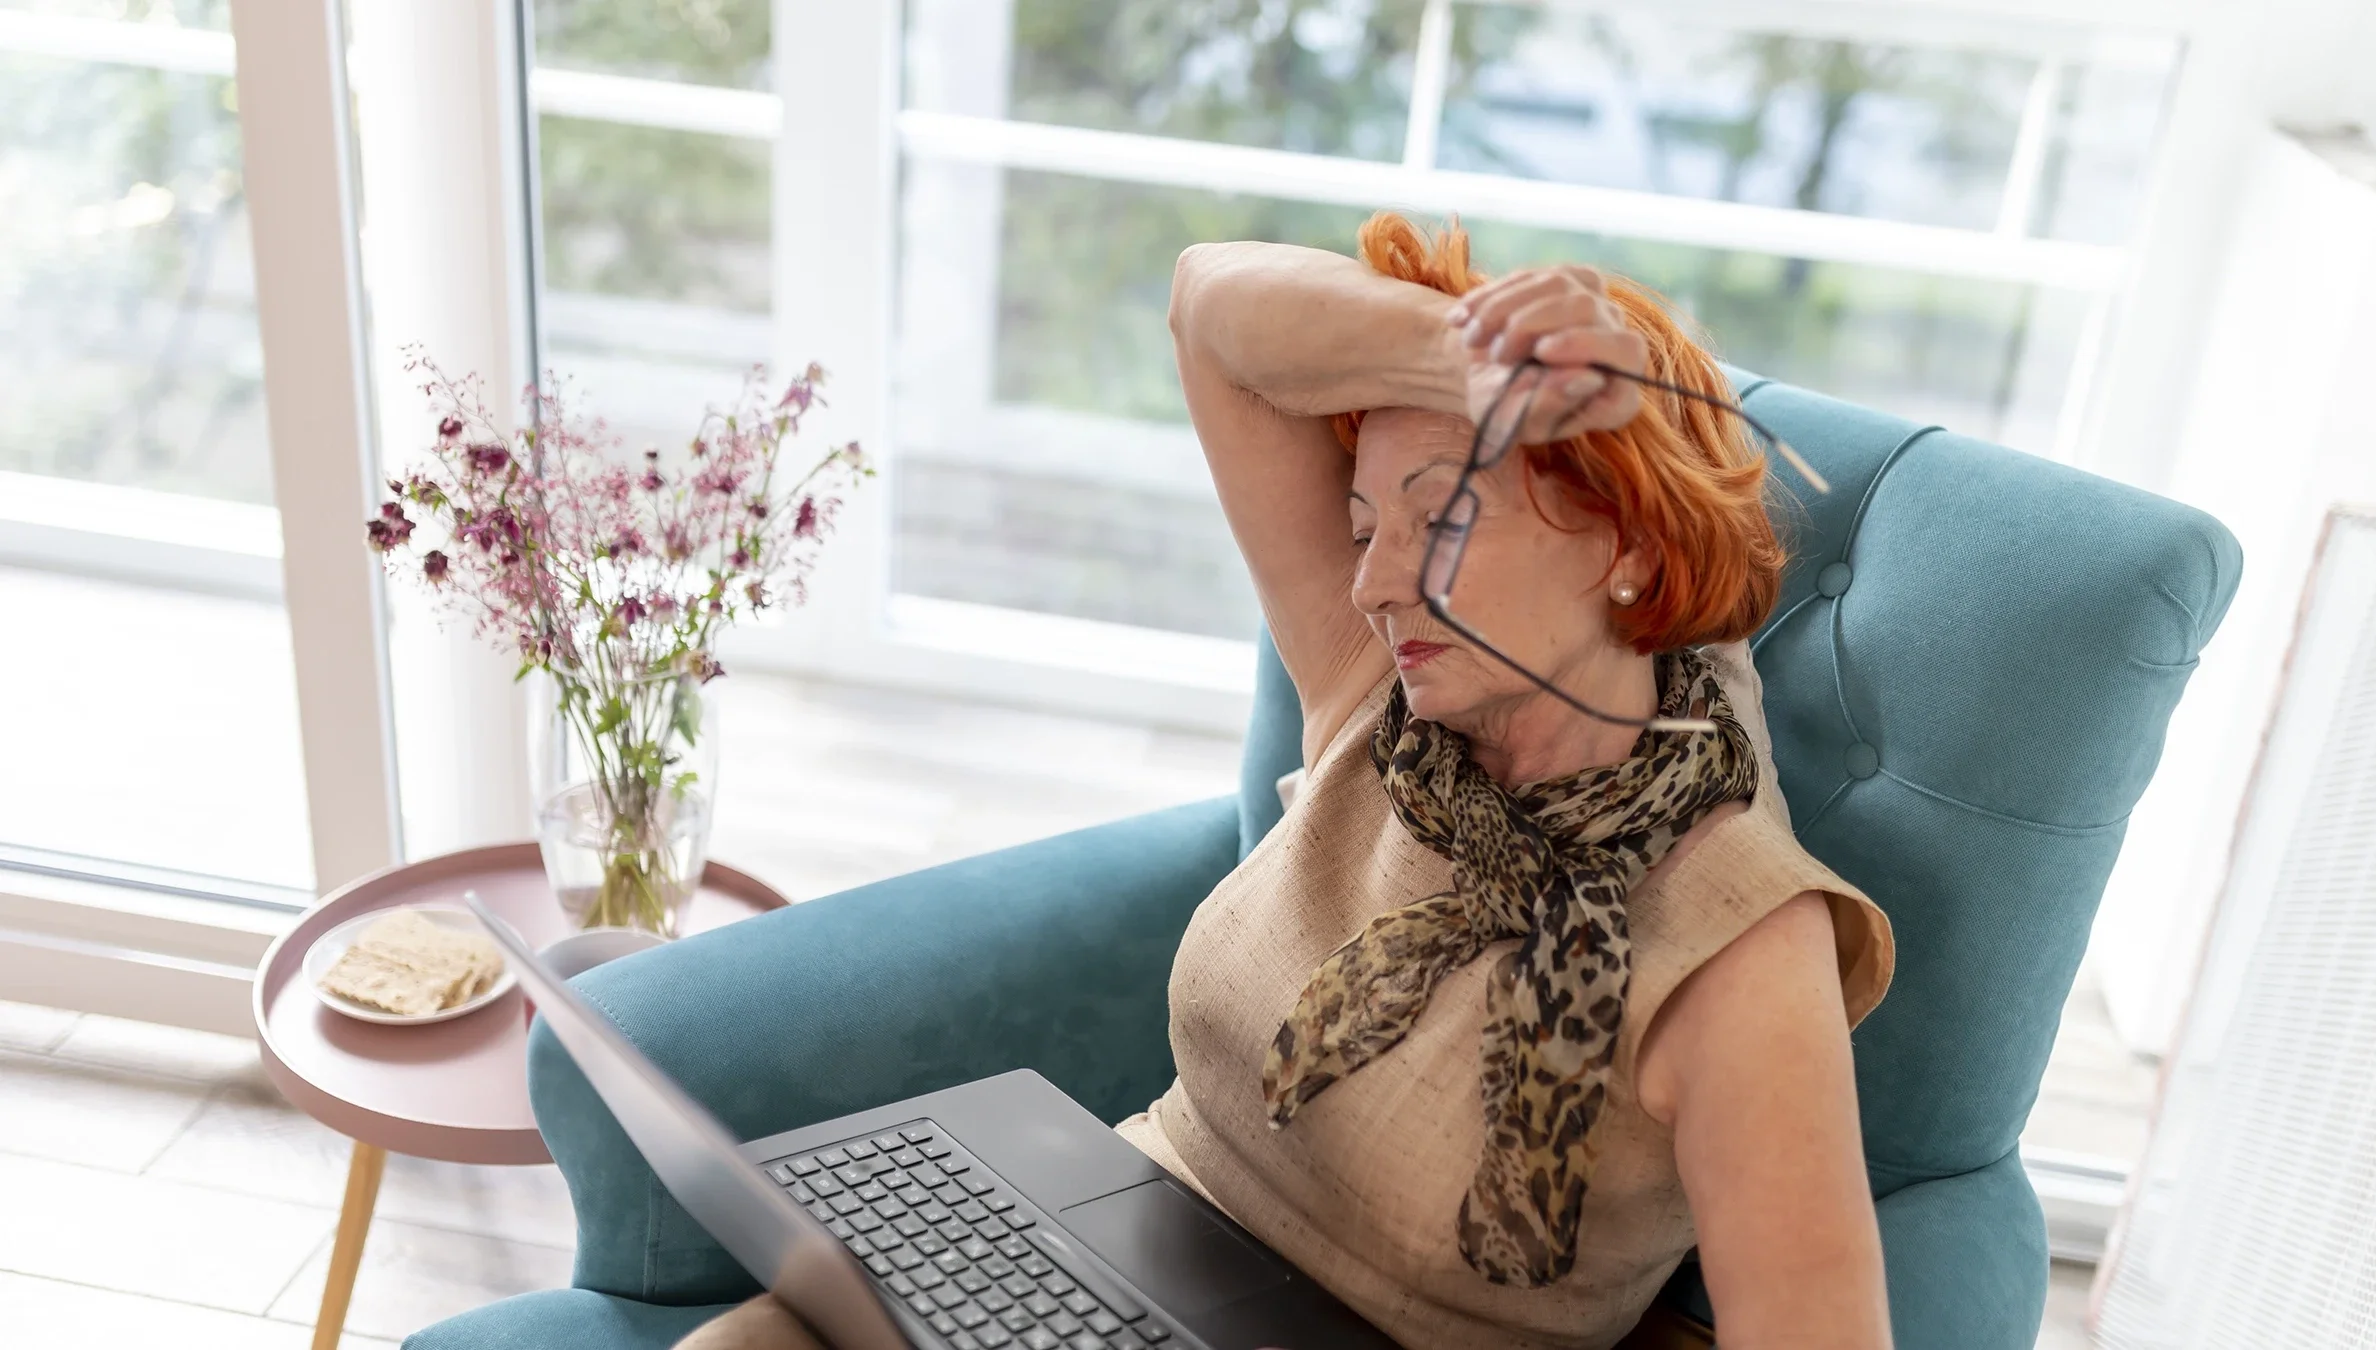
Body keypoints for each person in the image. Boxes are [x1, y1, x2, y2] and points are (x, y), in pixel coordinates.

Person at [679, 213, 1894, 1350]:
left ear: (1627, 549)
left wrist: (1611, 391)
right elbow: (1208, 306)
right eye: (1366, 528)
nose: (1372, 583)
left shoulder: (1741, 954)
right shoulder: (1394, 700)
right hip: (1088, 1257)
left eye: (1445, 522)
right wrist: (1453, 355)